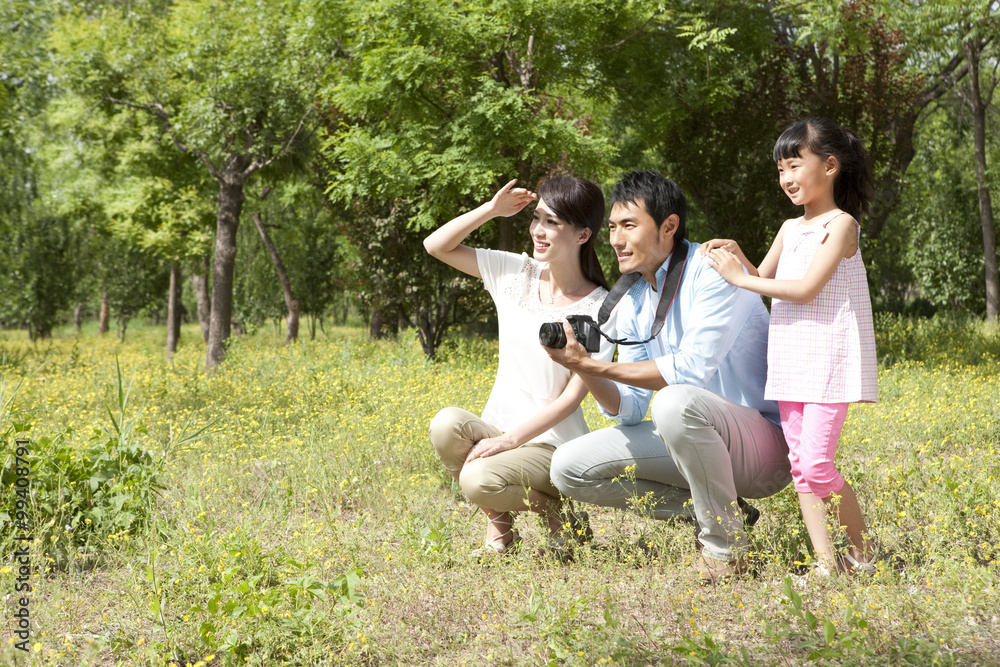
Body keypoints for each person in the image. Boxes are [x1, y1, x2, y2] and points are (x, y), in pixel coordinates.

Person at [544, 169, 791, 583]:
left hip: (762, 446)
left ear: (669, 226)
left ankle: (723, 550)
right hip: (693, 435)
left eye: (629, 226)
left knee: (675, 401)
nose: (616, 240)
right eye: (611, 227)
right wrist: (580, 367)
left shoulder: (713, 271)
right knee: (568, 467)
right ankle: (727, 510)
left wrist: (595, 366)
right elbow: (630, 409)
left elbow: (690, 372)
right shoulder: (635, 298)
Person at [701, 118, 878, 577]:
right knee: (801, 468)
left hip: (828, 364)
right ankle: (827, 565)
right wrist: (740, 256)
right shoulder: (789, 227)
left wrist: (741, 275)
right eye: (781, 170)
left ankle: (863, 554)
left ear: (831, 166)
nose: (787, 179)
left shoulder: (841, 226)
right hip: (790, 361)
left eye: (795, 165)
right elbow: (763, 277)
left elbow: (804, 289)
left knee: (818, 465)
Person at [423, 176, 617, 557]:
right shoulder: (515, 274)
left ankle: (560, 514)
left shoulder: (602, 309)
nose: (538, 231)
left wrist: (509, 441)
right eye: (536, 219)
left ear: (582, 235)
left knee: (475, 480)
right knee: (444, 425)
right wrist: (492, 210)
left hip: (553, 447)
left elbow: (571, 400)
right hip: (497, 428)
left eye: (552, 223)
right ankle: (502, 532)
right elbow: (435, 245)